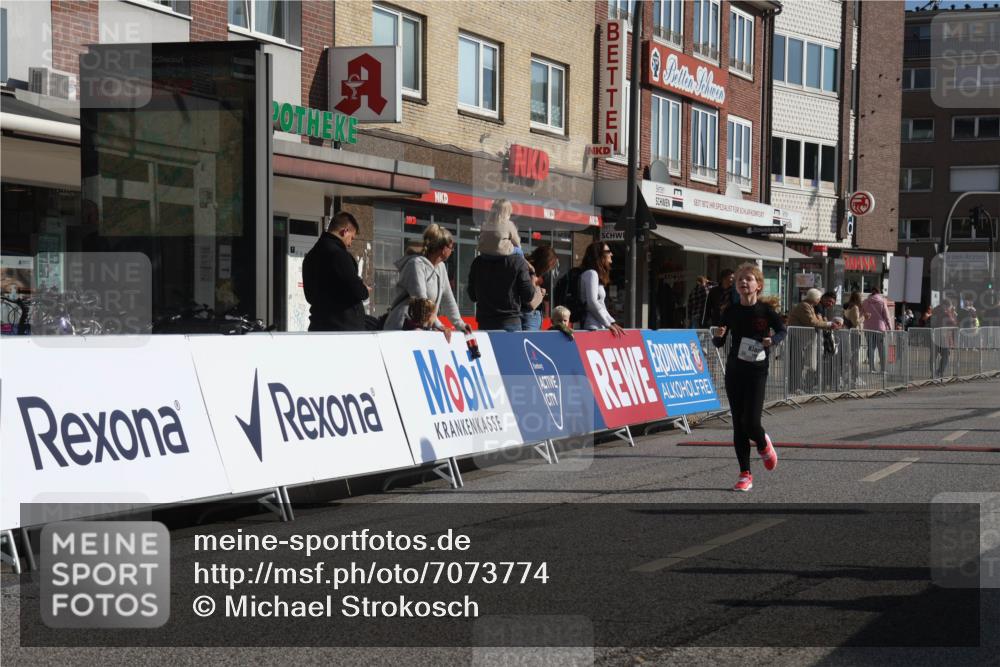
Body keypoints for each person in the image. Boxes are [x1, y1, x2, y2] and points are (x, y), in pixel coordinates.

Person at [712, 263, 786, 492]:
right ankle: (745, 474)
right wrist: (718, 336)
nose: (743, 282)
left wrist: (772, 340)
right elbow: (719, 342)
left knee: (751, 422)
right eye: (739, 280)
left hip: (757, 371)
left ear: (758, 286)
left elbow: (782, 330)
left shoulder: (765, 311)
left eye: (748, 279)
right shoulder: (730, 311)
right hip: (735, 370)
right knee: (738, 424)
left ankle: (764, 445)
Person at [384, 224, 471, 336]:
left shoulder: (441, 267)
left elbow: (448, 299)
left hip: (421, 328)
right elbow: (422, 301)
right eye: (451, 248)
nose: (452, 251)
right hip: (402, 327)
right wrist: (439, 326)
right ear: (443, 249)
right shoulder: (416, 264)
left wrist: (461, 325)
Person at [302, 211, 369, 332]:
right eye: (351, 238)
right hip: (343, 327)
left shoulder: (310, 256)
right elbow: (357, 290)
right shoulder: (339, 255)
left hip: (318, 325)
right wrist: (364, 289)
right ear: (345, 231)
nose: (350, 244)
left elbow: (310, 297)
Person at [468, 242, 536, 332]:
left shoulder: (478, 262)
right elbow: (528, 296)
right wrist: (532, 275)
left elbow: (472, 295)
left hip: (485, 323)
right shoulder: (518, 262)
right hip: (510, 322)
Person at [788, 289, 841, 393]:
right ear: (815, 298)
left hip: (801, 338)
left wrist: (827, 324)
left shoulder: (809, 306)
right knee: (796, 363)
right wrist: (829, 324)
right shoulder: (805, 306)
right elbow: (812, 321)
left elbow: (816, 321)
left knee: (800, 363)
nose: (819, 300)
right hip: (796, 337)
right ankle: (794, 388)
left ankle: (797, 387)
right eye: (818, 298)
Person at [579, 241, 625, 337]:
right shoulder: (591, 273)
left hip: (598, 325)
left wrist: (611, 322)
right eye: (608, 251)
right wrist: (608, 323)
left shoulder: (594, 274)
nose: (611, 254)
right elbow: (592, 302)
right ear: (599, 255)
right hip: (592, 326)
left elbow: (601, 304)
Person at [522, 245, 558, 331]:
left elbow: (546, 300)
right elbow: (529, 297)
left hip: (536, 313)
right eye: (550, 265)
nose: (549, 269)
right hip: (529, 313)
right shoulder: (528, 269)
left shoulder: (541, 274)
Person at [860, 287, 892, 373]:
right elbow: (887, 316)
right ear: (879, 292)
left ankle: (871, 368)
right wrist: (890, 327)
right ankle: (883, 369)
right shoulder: (882, 301)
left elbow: (861, 314)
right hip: (879, 328)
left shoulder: (865, 302)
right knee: (881, 348)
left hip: (868, 328)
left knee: (871, 348)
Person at [931, 298, 958, 377]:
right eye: (950, 306)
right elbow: (953, 323)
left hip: (936, 336)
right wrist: (954, 315)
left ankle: (934, 373)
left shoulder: (935, 311)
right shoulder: (945, 313)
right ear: (945, 306)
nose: (950, 308)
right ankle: (939, 372)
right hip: (943, 338)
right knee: (945, 355)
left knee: (934, 356)